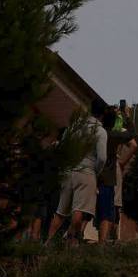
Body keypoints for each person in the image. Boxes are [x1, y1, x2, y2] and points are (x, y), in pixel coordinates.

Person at [45, 99, 107, 247]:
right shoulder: (100, 131)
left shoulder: (74, 127)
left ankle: (48, 243)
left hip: (69, 171)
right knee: (80, 210)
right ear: (103, 114)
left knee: (61, 211)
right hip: (87, 172)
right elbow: (102, 158)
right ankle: (71, 243)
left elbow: (63, 147)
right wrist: (95, 171)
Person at [95, 107, 137, 243]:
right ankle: (108, 239)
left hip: (94, 169)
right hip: (111, 170)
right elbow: (133, 143)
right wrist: (122, 163)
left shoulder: (99, 131)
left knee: (93, 206)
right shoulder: (116, 133)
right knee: (111, 206)